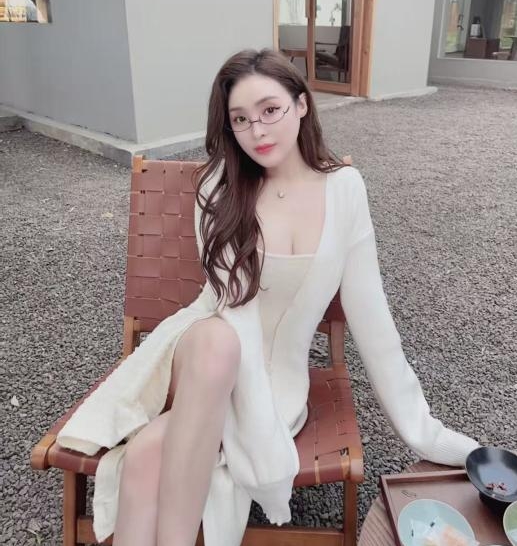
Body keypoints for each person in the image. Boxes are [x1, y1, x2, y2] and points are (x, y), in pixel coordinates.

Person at [57, 49, 478, 546]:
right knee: (219, 343)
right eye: (240, 119)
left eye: (270, 110)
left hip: (279, 389)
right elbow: (233, 313)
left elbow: (374, 320)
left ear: (301, 104)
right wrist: (254, 435)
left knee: (149, 452)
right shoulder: (219, 187)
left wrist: (424, 432)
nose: (257, 130)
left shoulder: (344, 190)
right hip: (197, 356)